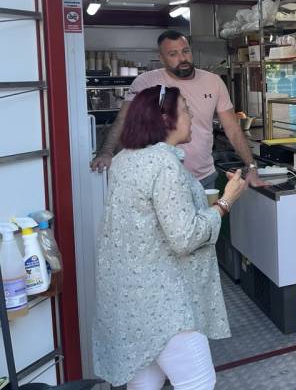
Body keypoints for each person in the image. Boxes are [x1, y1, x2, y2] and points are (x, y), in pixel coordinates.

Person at [92, 85, 247, 389]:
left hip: (131, 302)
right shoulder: (164, 165)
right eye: (186, 110)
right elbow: (185, 237)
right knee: (198, 383)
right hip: (166, 305)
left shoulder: (126, 159)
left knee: (144, 385)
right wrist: (225, 202)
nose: (192, 116)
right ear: (165, 120)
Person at [90, 30, 263, 189]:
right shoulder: (146, 82)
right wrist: (106, 152)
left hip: (204, 178)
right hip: (161, 180)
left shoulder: (214, 82)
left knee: (207, 222)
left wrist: (251, 166)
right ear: (161, 58)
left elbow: (232, 128)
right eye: (173, 54)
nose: (182, 58)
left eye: (185, 51)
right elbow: (124, 121)